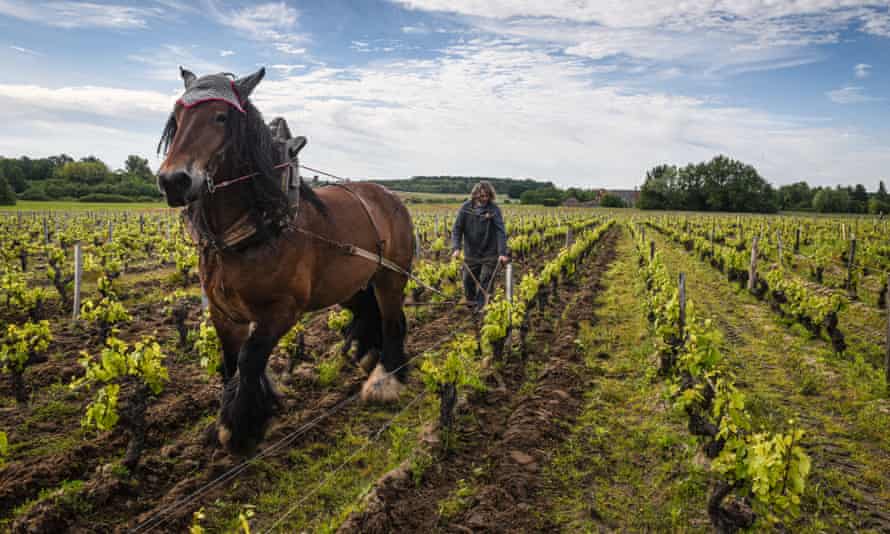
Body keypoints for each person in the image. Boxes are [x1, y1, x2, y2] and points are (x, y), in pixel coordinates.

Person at [451, 181, 509, 309]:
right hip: (471, 252)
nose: (485, 199)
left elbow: (500, 231)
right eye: (482, 196)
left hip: (490, 252)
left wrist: (502, 253)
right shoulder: (466, 208)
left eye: (487, 196)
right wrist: (456, 248)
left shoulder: (493, 209)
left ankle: (481, 308)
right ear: (475, 195)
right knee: (467, 280)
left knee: (486, 281)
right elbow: (457, 229)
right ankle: (472, 305)